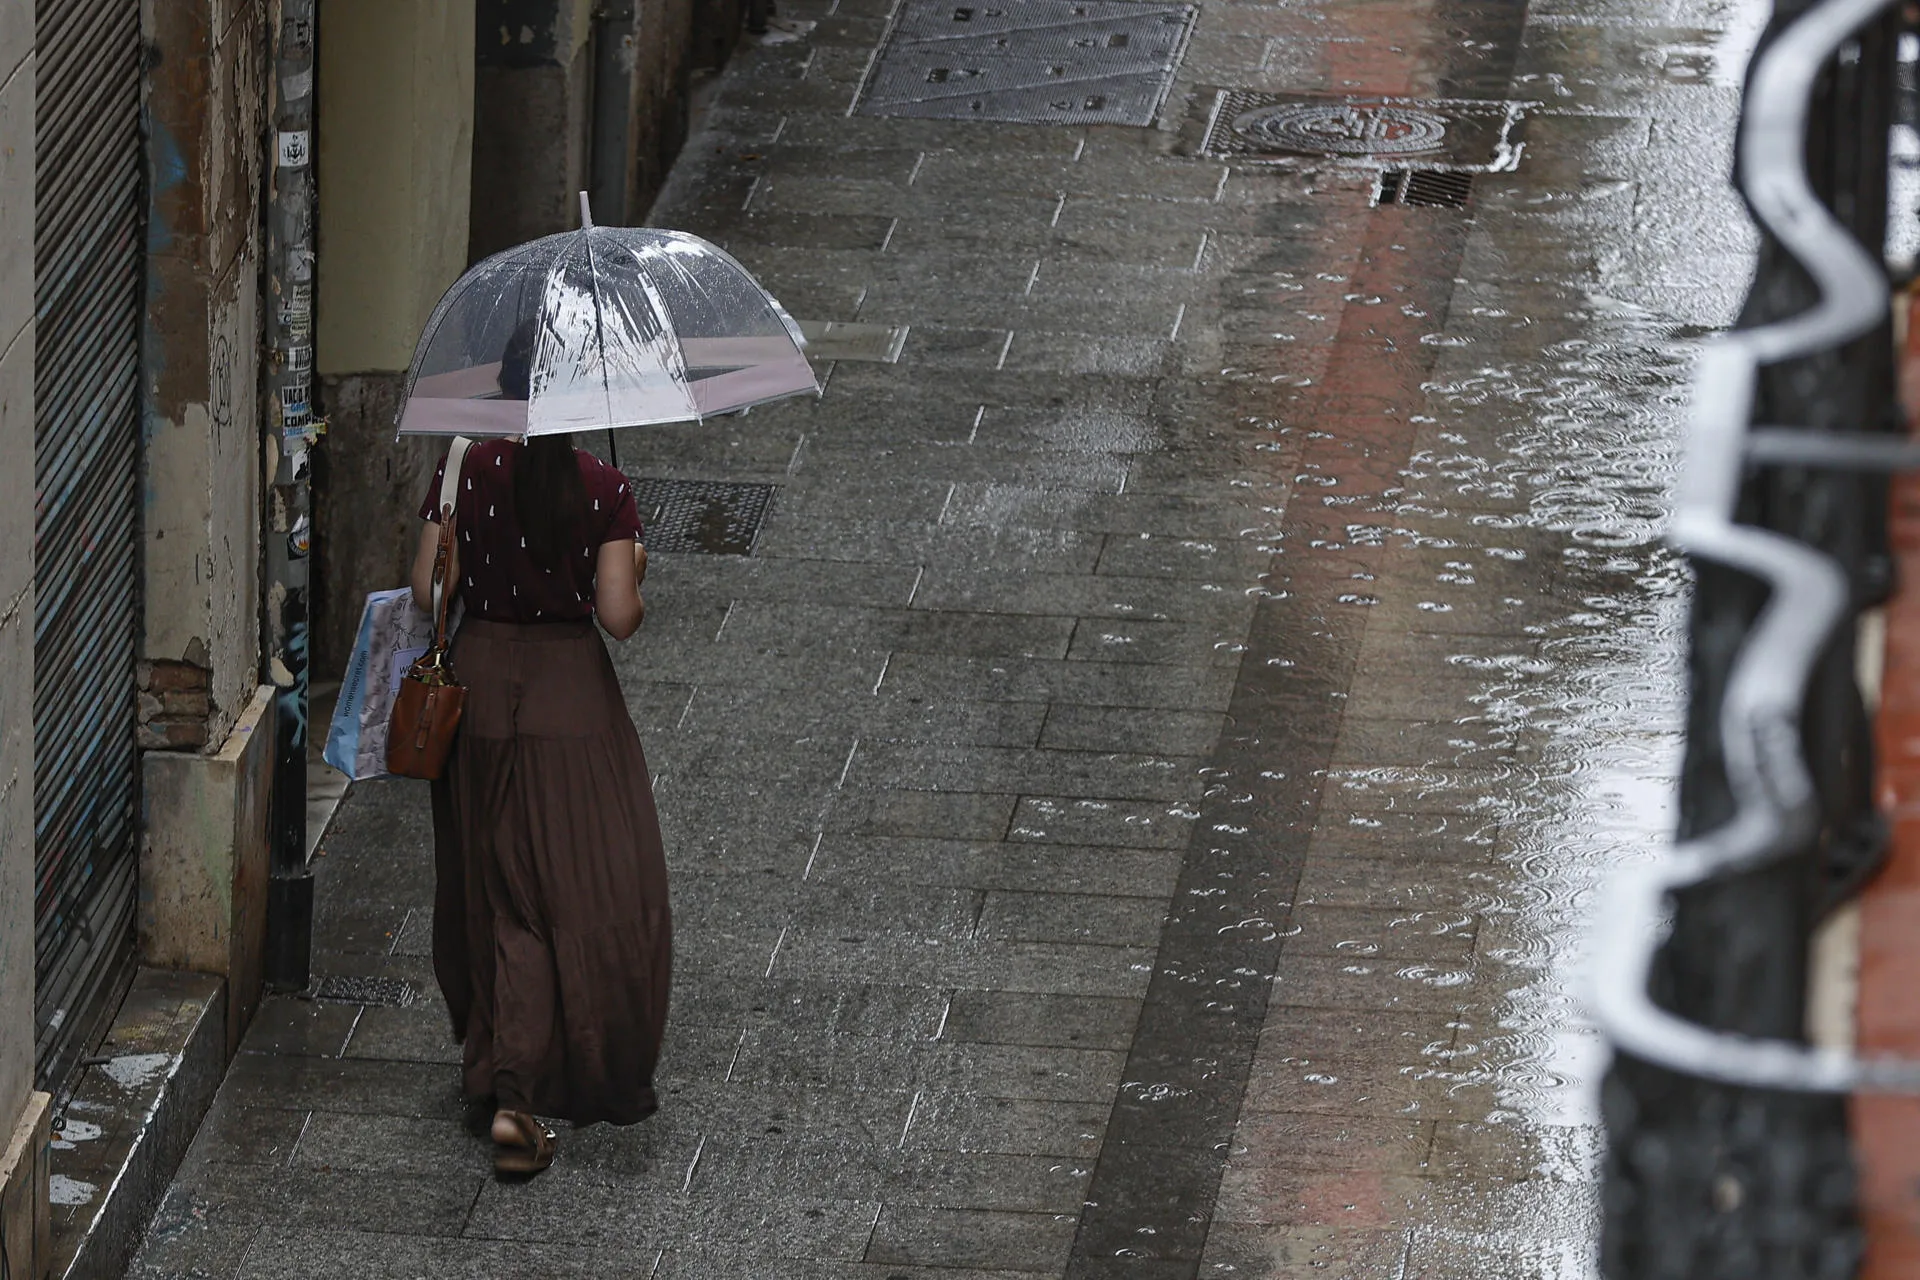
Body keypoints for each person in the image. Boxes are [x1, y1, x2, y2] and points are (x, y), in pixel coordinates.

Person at [409, 324, 669, 1179]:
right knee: (577, 888)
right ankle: (525, 1093)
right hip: (571, 701)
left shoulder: (463, 469)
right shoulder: (603, 487)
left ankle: (500, 1065)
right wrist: (635, 559)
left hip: (479, 691)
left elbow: (427, 589)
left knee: (497, 887)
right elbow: (620, 618)